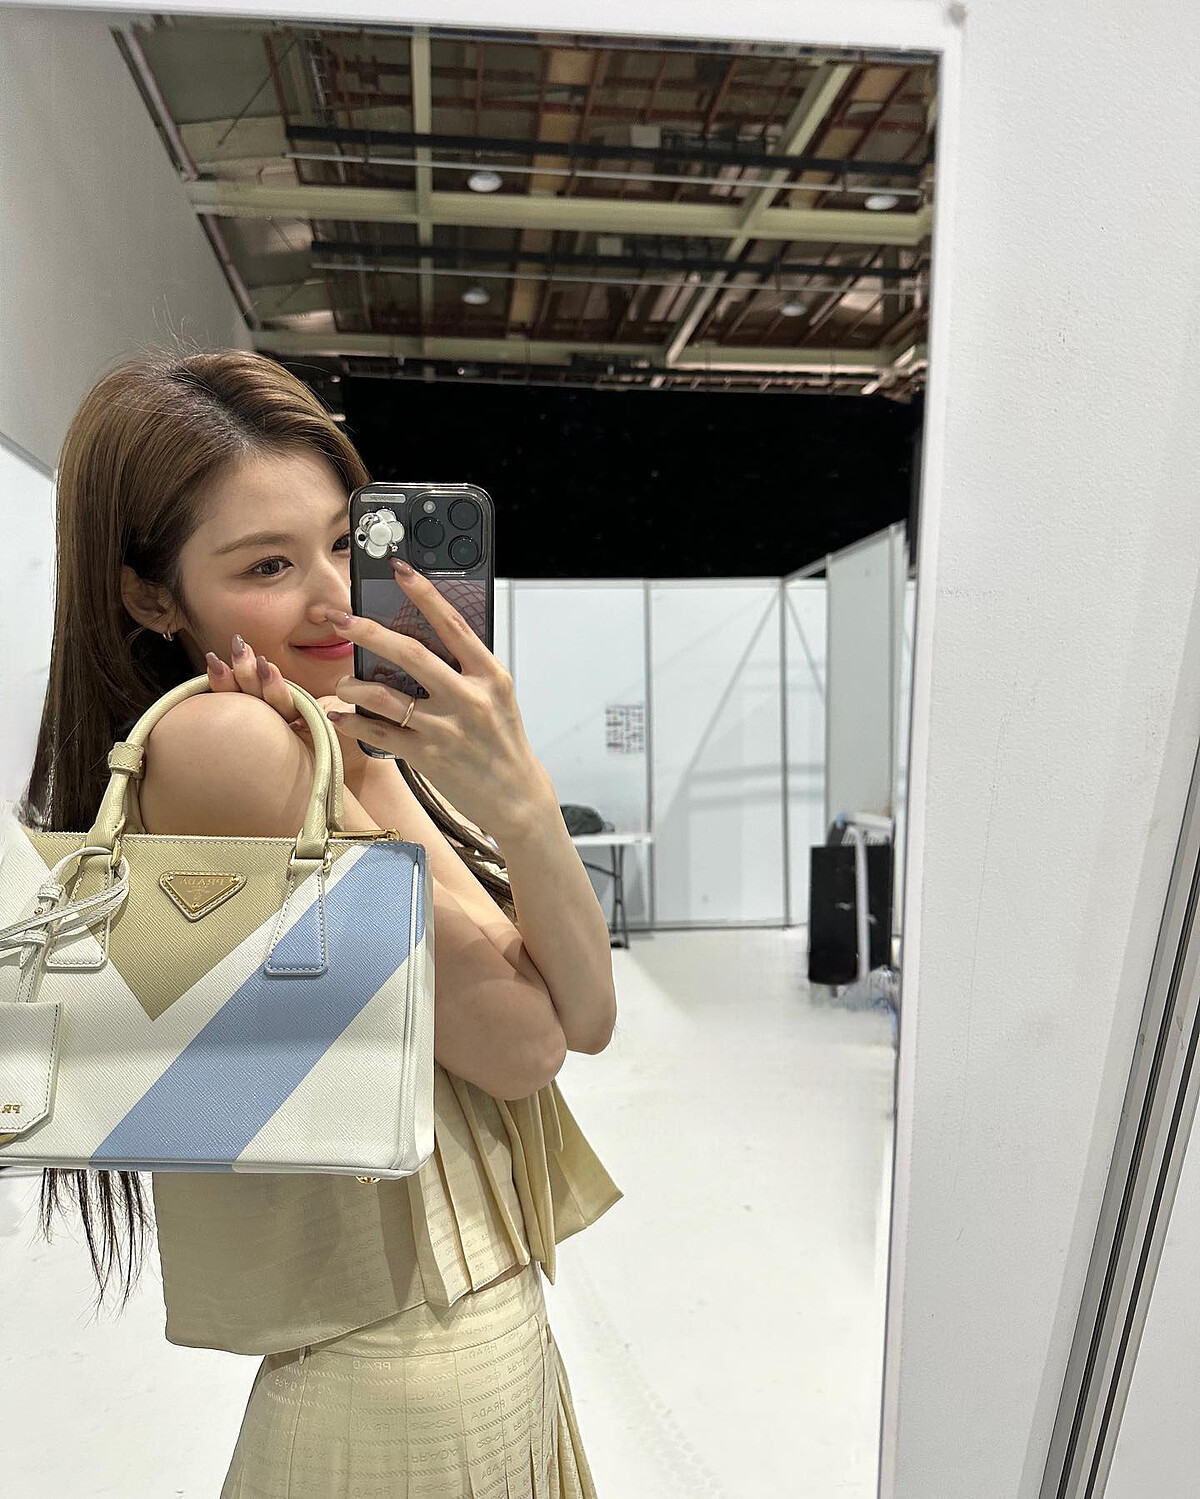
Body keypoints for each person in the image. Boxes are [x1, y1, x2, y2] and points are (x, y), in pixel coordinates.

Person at [15, 344, 624, 1498]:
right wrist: (372, 772)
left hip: (477, 1350)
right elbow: (524, 1044)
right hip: (398, 1380)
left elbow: (588, 1013)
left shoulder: (329, 738)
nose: (336, 596)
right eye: (268, 564)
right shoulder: (224, 742)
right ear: (150, 595)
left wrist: (511, 794)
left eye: (347, 540)